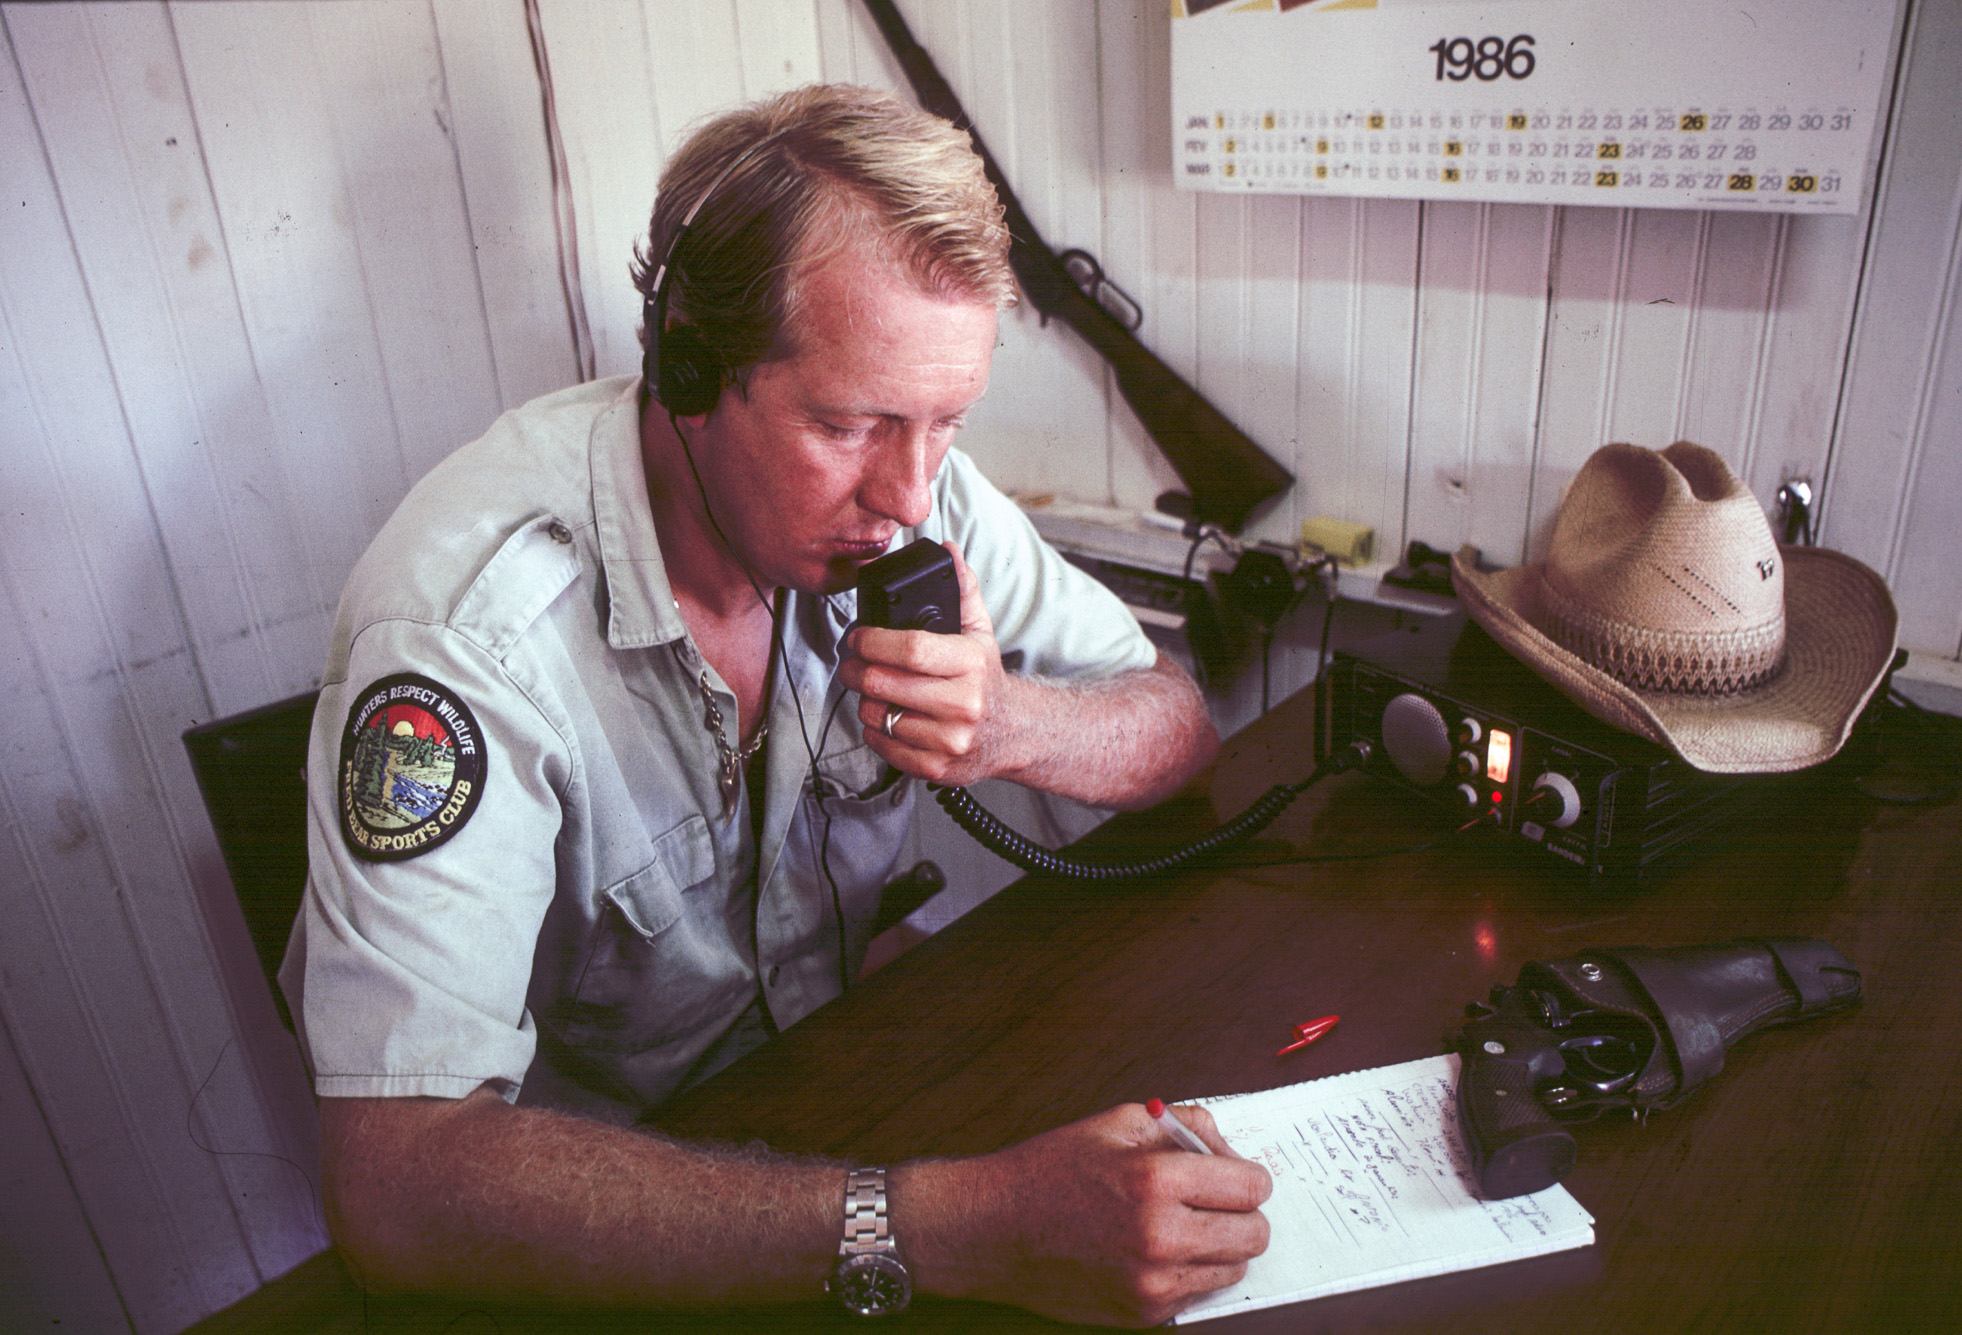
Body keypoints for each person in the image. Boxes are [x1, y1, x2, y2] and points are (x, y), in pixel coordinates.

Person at [283, 83, 1270, 1326]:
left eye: (947, 422)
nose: (911, 496)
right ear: (689, 365)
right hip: (609, 1223)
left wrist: (1012, 725)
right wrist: (958, 1228)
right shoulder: (465, 638)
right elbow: (398, 1190)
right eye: (851, 425)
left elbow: (1177, 724)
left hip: (847, 1089)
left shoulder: (919, 495)